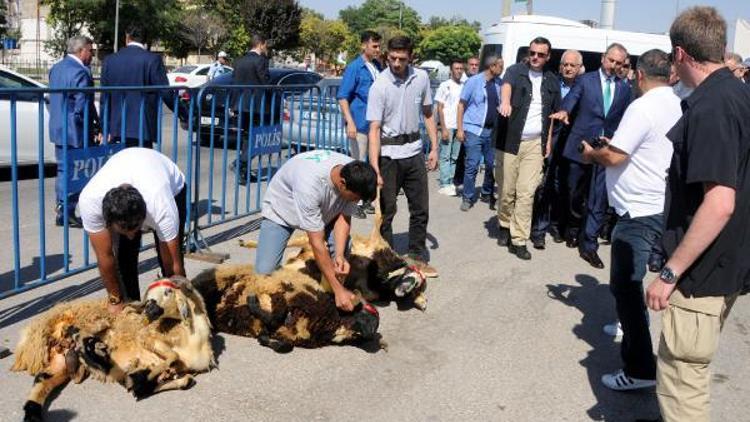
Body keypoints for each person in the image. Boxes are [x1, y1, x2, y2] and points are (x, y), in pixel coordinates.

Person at [644, 7, 750, 421]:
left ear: (681, 54)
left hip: (701, 275)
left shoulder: (713, 105)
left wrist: (670, 272)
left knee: (682, 387)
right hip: (723, 266)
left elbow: (720, 202)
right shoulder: (736, 93)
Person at [581, 49, 682, 391]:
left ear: (639, 75)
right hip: (656, 203)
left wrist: (592, 153)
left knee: (625, 284)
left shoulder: (642, 106)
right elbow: (637, 148)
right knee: (630, 281)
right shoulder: (674, 101)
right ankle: (628, 325)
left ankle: (640, 369)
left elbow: (612, 157)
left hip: (639, 211)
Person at [255, 150, 377, 311]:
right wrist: (339, 290)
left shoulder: (354, 173)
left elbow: (344, 217)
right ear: (342, 183)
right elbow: (317, 243)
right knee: (265, 272)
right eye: (356, 198)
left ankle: (328, 298)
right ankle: (337, 292)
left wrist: (339, 255)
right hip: (282, 211)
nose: (357, 202)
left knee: (341, 251)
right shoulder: (310, 183)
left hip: (325, 211)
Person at [549, 43, 632, 269]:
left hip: (605, 150)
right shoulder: (585, 81)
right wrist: (564, 111)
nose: (613, 65)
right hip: (580, 146)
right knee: (574, 193)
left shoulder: (625, 89)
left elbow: (625, 118)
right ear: (604, 58)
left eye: (618, 63)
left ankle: (589, 245)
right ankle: (573, 228)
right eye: (611, 60)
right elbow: (572, 99)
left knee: (598, 198)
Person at [78, 148, 186, 313]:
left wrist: (183, 302)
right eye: (123, 230)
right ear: (108, 220)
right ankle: (132, 309)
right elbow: (105, 256)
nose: (130, 236)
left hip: (171, 185)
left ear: (145, 217)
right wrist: (115, 300)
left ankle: (170, 309)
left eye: (135, 229)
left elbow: (173, 265)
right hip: (131, 168)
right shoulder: (90, 201)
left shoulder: (161, 207)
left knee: (168, 266)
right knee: (124, 258)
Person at [367, 35, 439, 266]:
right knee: (387, 211)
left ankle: (417, 254)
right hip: (389, 156)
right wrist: (375, 168)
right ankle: (387, 259)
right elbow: (374, 129)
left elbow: (428, 113)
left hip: (414, 152)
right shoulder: (380, 85)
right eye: (392, 58)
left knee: (420, 209)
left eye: (402, 59)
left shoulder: (421, 78)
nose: (396, 63)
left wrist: (434, 148)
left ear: (411, 57)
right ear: (387, 56)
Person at [496, 37, 561, 260]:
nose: (535, 57)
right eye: (533, 53)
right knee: (507, 192)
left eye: (540, 54)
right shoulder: (515, 71)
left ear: (548, 57)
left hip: (535, 144)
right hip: (509, 141)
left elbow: (552, 115)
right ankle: (504, 224)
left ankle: (519, 239)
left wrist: (548, 142)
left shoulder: (552, 80)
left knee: (526, 193)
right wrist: (505, 102)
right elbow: (506, 87)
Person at [531, 49, 583, 245]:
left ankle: (557, 226)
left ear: (579, 68)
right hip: (550, 141)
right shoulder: (552, 82)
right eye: (565, 64)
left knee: (565, 188)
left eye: (572, 65)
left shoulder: (584, 85)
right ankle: (539, 230)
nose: (568, 68)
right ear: (560, 66)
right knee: (545, 186)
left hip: (572, 144)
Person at [48, 35, 100, 228]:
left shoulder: (56, 68)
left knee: (63, 169)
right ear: (81, 50)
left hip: (59, 128)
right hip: (75, 131)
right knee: (78, 171)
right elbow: (82, 105)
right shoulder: (81, 72)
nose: (92, 55)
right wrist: (94, 127)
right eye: (90, 51)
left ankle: (63, 210)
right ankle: (68, 210)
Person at [100, 25, 170, 149]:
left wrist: (103, 127)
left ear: (127, 38)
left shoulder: (109, 60)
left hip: (116, 128)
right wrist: (185, 113)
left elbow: (104, 98)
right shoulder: (153, 60)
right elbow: (165, 92)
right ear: (146, 40)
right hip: (142, 129)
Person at [337, 30, 382, 217]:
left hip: (375, 124)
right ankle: (352, 204)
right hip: (360, 122)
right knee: (357, 166)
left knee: (371, 164)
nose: (378, 49)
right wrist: (350, 122)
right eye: (374, 46)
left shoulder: (377, 66)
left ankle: (365, 200)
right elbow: (342, 97)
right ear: (364, 46)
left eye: (379, 46)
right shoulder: (355, 67)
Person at [455, 55, 503, 212]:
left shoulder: (499, 83)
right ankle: (467, 197)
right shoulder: (473, 82)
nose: (502, 69)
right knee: (472, 165)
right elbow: (461, 105)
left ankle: (486, 192)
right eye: (500, 66)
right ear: (492, 66)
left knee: (491, 165)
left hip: (492, 132)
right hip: (473, 130)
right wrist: (460, 129)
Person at [435, 59, 465, 196]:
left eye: (460, 68)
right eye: (456, 68)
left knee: (455, 156)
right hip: (448, 125)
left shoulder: (464, 85)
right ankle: (444, 183)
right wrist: (443, 127)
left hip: (458, 126)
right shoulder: (444, 85)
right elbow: (440, 108)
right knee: (445, 156)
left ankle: (451, 182)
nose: (459, 71)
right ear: (451, 70)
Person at [452, 55, 481, 187]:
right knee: (459, 153)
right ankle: (457, 179)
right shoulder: (461, 82)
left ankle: (465, 180)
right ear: (466, 66)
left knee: (470, 155)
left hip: (473, 125)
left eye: (476, 65)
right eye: (471, 65)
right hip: (459, 123)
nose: (474, 67)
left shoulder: (481, 81)